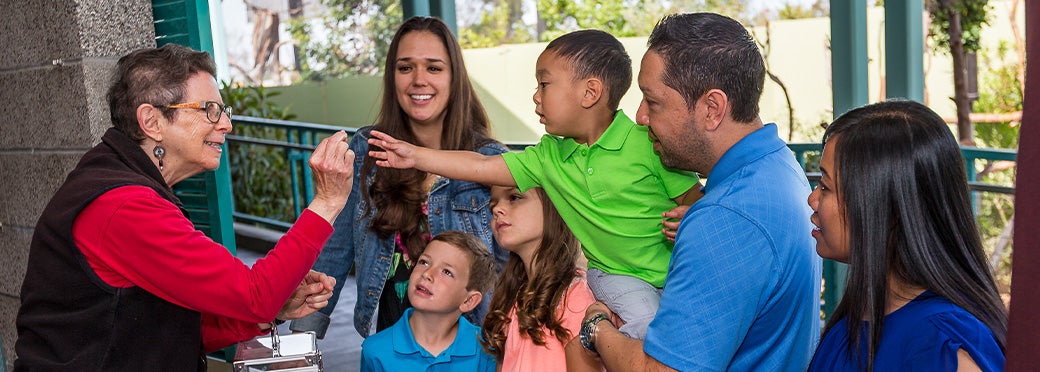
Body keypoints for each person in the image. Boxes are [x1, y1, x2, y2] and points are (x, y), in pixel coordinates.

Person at [14, 44, 354, 370]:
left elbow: (171, 330)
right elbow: (255, 293)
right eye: (209, 110)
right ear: (152, 122)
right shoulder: (124, 206)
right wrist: (327, 203)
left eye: (223, 111)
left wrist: (271, 312)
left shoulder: (129, 186)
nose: (226, 125)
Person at [368, 29, 699, 340]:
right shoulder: (547, 157)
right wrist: (414, 156)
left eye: (544, 85)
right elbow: (482, 165)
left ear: (590, 92)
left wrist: (692, 215)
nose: (536, 97)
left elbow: (695, 198)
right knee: (650, 330)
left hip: (677, 270)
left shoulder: (647, 143)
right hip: (617, 275)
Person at [566, 13, 822, 371]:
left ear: (711, 109)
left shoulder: (725, 218)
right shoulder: (776, 165)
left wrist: (597, 326)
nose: (640, 117)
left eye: (652, 102)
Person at [289, 16, 509, 339]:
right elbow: (333, 252)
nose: (419, 80)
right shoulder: (367, 150)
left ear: (454, 77)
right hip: (390, 351)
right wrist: (300, 343)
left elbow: (511, 270)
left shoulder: (490, 162)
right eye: (405, 67)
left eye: (434, 68)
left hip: (472, 351)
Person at [806, 100, 1007, 371]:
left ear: (888, 210)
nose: (813, 199)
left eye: (825, 186)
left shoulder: (944, 347)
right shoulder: (857, 320)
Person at [480, 186, 597, 370]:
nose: (496, 209)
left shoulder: (575, 294)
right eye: (492, 205)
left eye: (514, 197)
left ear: (554, 206)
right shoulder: (511, 298)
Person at [360, 231, 498, 371]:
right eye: (424, 262)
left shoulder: (488, 351)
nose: (427, 274)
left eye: (447, 272)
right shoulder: (375, 351)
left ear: (469, 301)